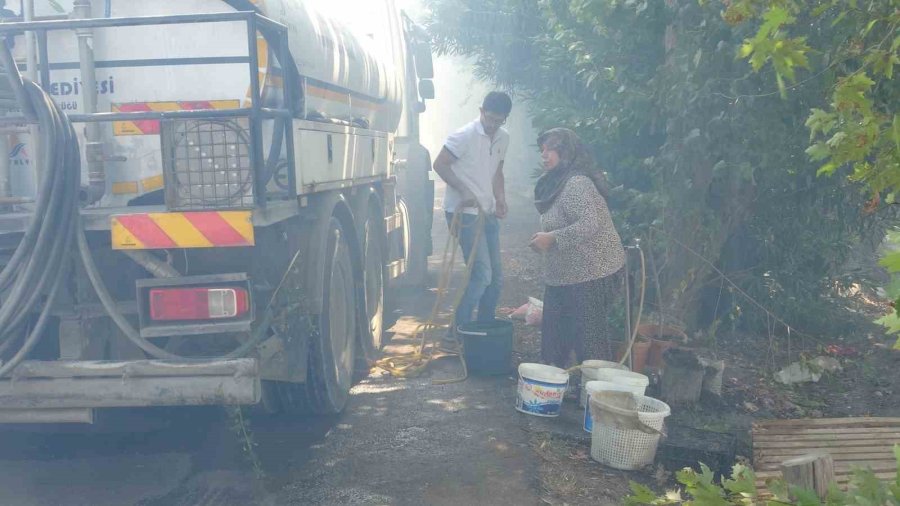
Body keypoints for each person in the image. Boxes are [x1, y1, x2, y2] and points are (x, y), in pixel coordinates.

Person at [529, 128, 625, 368]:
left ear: (566, 152)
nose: (545, 155)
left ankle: (595, 396)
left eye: (551, 149)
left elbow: (590, 223)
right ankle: (552, 389)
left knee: (590, 343)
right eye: (543, 150)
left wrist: (552, 239)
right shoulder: (554, 183)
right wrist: (546, 239)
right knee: (553, 339)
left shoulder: (576, 183)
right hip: (563, 275)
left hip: (592, 272)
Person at [432, 91, 512, 343]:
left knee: (496, 279)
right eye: (489, 119)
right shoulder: (464, 135)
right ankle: (455, 332)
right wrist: (463, 189)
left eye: (499, 121)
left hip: (486, 211)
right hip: (464, 213)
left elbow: (497, 171)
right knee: (482, 275)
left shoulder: (503, 138)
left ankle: (484, 330)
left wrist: (500, 197)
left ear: (504, 119)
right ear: (481, 111)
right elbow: (440, 164)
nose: (492, 125)